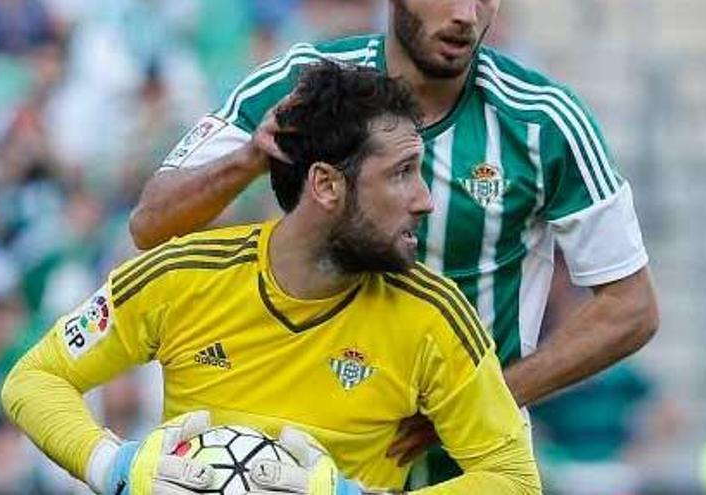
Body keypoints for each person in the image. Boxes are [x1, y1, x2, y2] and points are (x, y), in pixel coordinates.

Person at [127, 0, 660, 484]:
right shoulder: (307, 83)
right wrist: (246, 159)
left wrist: (482, 397)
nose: (466, 16)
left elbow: (631, 306)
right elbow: (151, 222)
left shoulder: (544, 120)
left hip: (468, 465)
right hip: (312, 449)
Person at [2, 62, 541, 495]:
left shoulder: (435, 316)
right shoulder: (182, 275)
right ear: (327, 186)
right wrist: (113, 467)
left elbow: (514, 478)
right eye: (402, 173)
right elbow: (34, 379)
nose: (425, 200)